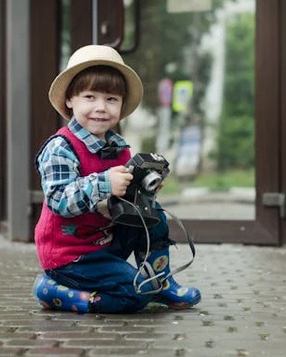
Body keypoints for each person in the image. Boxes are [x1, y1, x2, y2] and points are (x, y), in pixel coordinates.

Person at [32, 45, 201, 313]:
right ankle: (54, 291)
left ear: (121, 106)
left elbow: (123, 203)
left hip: (107, 243)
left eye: (111, 99)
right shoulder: (61, 147)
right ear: (69, 100)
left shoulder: (120, 149)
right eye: (89, 97)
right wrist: (103, 183)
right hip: (71, 256)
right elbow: (58, 201)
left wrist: (145, 189)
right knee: (134, 296)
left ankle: (160, 279)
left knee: (152, 212)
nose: (101, 107)